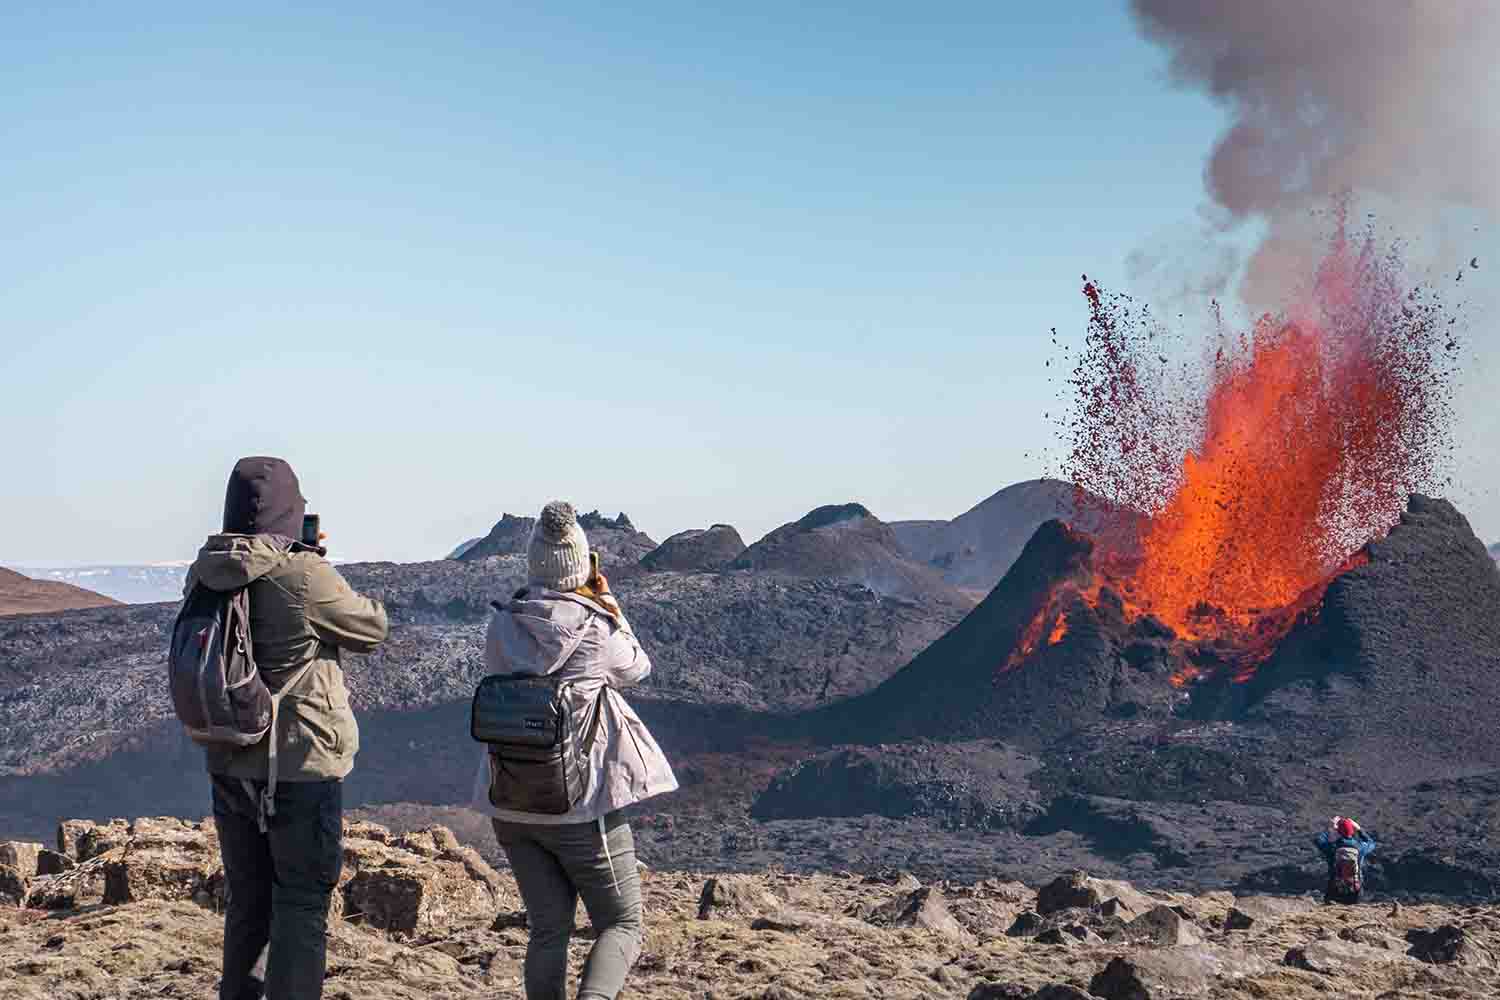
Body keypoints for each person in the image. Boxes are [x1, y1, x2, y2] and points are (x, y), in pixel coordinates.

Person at [185, 456, 389, 1000]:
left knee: (249, 899)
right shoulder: (304, 573)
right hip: (300, 764)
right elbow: (370, 626)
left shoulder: (203, 571)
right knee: (300, 900)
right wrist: (314, 559)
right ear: (290, 510)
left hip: (229, 757)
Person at [474, 500, 677, 1000]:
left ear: (534, 564)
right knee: (623, 923)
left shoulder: (501, 627)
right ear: (583, 565)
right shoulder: (596, 629)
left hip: (511, 803)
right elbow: (638, 668)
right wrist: (611, 607)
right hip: (581, 807)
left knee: (548, 929)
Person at [1314, 815, 1377, 905]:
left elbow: (1318, 840)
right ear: (1352, 832)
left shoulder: (1332, 848)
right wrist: (1359, 829)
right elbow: (1371, 843)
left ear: (1338, 832)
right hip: (1355, 889)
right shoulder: (1360, 848)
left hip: (1334, 889)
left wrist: (1331, 828)